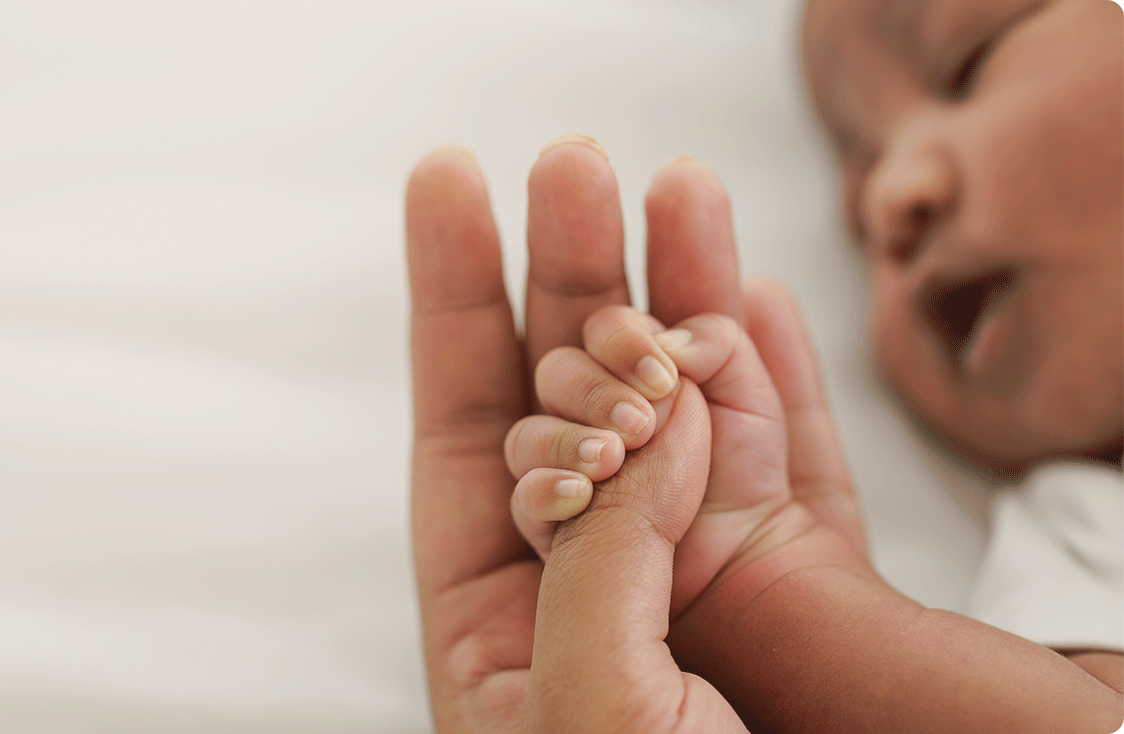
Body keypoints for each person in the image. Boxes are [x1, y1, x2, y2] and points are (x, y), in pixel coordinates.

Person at [405, 0, 1123, 730]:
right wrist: (751, 589)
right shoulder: (1083, 533)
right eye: (853, 209)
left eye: (968, 63)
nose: (884, 196)